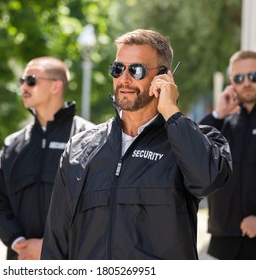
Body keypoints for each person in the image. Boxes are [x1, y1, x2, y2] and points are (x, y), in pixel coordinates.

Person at [41, 29, 232, 260]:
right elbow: (56, 239)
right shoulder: (78, 148)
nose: (124, 79)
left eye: (136, 70)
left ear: (163, 77)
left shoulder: (194, 140)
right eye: (118, 68)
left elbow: (208, 180)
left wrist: (172, 113)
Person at [0, 56, 95, 260]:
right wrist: (18, 242)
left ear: (56, 86)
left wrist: (50, 246)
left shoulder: (89, 138)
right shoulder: (12, 144)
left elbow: (97, 205)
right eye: (22, 81)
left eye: (31, 80)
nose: (23, 87)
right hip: (22, 259)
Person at [200, 50, 256, 260]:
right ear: (232, 81)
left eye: (254, 76)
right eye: (239, 78)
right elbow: (194, 151)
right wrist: (218, 114)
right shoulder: (223, 121)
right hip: (223, 241)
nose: (246, 83)